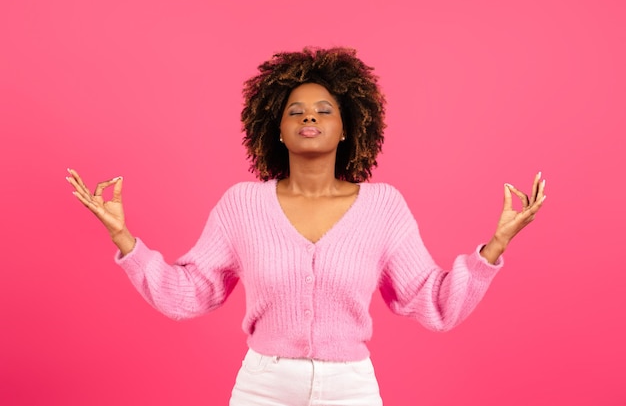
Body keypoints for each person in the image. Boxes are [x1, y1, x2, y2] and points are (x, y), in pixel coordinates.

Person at [66, 47, 546, 405]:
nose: (309, 116)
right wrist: (126, 241)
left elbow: (432, 300)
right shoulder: (242, 204)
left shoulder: (384, 206)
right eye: (295, 111)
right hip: (262, 387)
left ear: (346, 128)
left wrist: (493, 248)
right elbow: (190, 292)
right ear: (276, 129)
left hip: (350, 389)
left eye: (324, 110)